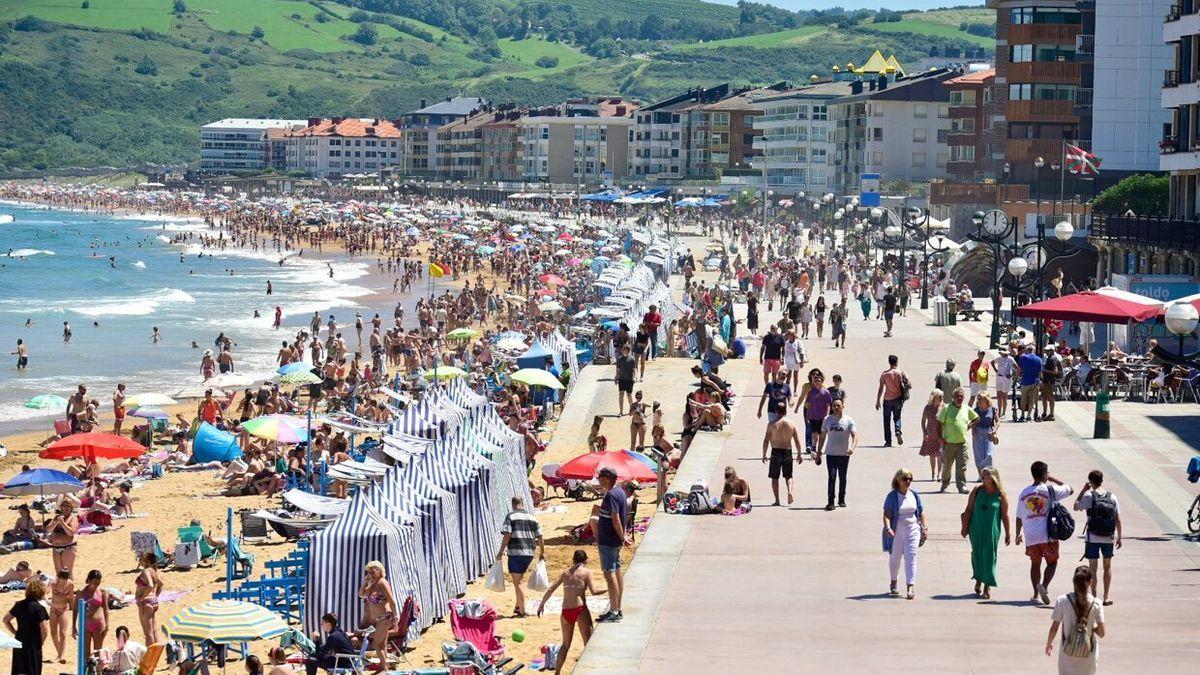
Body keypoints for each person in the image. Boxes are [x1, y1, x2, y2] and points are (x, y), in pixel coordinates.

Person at [537, 550, 606, 675]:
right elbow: (594, 591)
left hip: (565, 610)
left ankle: (557, 672)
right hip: (580, 609)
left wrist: (542, 604)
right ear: (586, 560)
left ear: (573, 560)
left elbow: (551, 588)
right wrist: (609, 589)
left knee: (565, 645)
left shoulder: (565, 573)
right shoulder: (586, 572)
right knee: (588, 643)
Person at [1016, 461, 1074, 605]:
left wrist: (1018, 533)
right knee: (1052, 563)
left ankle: (1036, 593)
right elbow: (1070, 489)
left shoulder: (1024, 492)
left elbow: (1019, 516)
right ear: (1044, 474)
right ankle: (1045, 586)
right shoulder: (1050, 490)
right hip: (1048, 535)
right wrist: (1052, 478)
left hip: (1031, 535)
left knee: (1035, 564)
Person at [1072, 470, 1122, 606]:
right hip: (1108, 537)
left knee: (1093, 569)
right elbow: (1117, 519)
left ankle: (1093, 597)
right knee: (1107, 567)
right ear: (1102, 480)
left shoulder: (1089, 495)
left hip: (1092, 537)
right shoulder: (1112, 497)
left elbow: (1075, 506)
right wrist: (1120, 537)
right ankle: (1106, 597)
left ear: (1090, 481)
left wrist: (1082, 490)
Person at [961, 466, 1011, 599]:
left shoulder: (1001, 495)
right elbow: (969, 509)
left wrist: (1008, 533)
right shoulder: (977, 491)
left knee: (989, 557)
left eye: (985, 475)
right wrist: (964, 527)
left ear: (993, 477)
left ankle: (987, 586)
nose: (982, 478)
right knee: (977, 555)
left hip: (992, 531)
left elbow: (1005, 515)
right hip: (976, 528)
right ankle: (978, 578)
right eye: (982, 475)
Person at [1045, 566, 1106, 674]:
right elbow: (1102, 633)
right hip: (1088, 653)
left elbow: (1054, 628)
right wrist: (1091, 625)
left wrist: (1049, 644)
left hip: (1067, 652)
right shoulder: (1096, 603)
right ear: (1091, 582)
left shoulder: (1063, 600)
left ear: (1074, 581)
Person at [882, 468, 926, 600]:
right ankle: (893, 582)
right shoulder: (892, 496)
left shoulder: (914, 495)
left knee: (911, 556)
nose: (908, 482)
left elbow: (921, 512)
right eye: (905, 479)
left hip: (912, 529)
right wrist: (888, 528)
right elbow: (887, 514)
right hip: (897, 530)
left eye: (910, 479)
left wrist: (924, 528)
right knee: (895, 557)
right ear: (898, 480)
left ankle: (910, 586)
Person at [497, 496, 544, 618]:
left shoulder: (510, 516)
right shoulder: (532, 517)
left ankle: (522, 611)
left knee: (518, 582)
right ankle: (518, 606)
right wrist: (542, 552)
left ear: (513, 504)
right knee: (520, 579)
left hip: (516, 552)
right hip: (529, 553)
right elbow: (540, 536)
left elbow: (507, 534)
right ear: (522, 504)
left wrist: (501, 551)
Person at [592, 467, 626, 623]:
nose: (598, 480)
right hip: (615, 540)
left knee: (609, 573)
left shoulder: (611, 494)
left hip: (609, 540)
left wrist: (622, 536)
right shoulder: (619, 492)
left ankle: (614, 610)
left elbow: (615, 517)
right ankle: (617, 607)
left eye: (600, 477)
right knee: (617, 571)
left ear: (606, 478)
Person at [937, 387, 978, 494]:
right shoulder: (946, 408)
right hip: (948, 444)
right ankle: (944, 484)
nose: (960, 398)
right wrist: (940, 438)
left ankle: (962, 486)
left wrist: (968, 426)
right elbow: (939, 423)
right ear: (953, 397)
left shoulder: (966, 408)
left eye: (962, 396)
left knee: (962, 466)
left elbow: (976, 418)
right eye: (958, 396)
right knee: (947, 467)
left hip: (962, 444)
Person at [358, 561, 398, 670]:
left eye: (374, 570)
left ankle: (383, 668)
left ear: (380, 570)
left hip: (385, 617)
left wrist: (395, 617)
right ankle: (385, 667)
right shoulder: (373, 584)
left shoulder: (382, 582)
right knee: (383, 644)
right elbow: (361, 594)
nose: (371, 573)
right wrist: (365, 582)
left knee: (376, 644)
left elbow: (392, 601)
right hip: (380, 619)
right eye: (369, 571)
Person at [818, 398, 857, 510]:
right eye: (834, 405)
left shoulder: (849, 420)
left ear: (843, 406)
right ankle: (830, 501)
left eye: (838, 405)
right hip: (830, 454)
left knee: (842, 477)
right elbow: (822, 437)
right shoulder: (827, 420)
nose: (836, 407)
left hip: (844, 455)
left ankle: (841, 499)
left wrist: (852, 447)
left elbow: (855, 436)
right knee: (832, 476)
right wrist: (819, 452)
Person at [4, 577, 48, 675]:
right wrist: (41, 642)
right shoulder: (39, 608)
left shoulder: (19, 604)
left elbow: (6, 620)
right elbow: (44, 629)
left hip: (19, 640)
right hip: (33, 643)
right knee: (33, 670)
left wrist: (15, 632)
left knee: (19, 670)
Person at [763, 402, 803, 506]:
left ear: (776, 411)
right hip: (787, 452)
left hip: (776, 452)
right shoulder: (791, 424)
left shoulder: (771, 424)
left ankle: (777, 500)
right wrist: (799, 453)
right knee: (788, 476)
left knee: (774, 477)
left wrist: (764, 454)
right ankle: (789, 491)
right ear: (785, 411)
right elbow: (797, 441)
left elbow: (766, 440)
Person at [72, 569, 109, 655]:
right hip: (85, 624)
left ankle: (97, 669)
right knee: (85, 653)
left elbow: (106, 609)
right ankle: (86, 669)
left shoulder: (102, 592)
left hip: (99, 624)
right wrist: (73, 626)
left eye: (98, 583)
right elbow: (75, 610)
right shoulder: (81, 592)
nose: (96, 585)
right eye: (95, 583)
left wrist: (107, 625)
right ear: (89, 580)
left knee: (98, 653)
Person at [875, 354, 907, 447]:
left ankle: (888, 442)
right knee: (897, 417)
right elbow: (909, 385)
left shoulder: (884, 374)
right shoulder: (900, 373)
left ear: (889, 362)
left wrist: (878, 400)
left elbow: (881, 388)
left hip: (887, 399)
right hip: (898, 399)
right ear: (896, 362)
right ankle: (897, 430)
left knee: (886, 420)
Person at [134, 552, 163, 646]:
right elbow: (160, 585)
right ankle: (156, 653)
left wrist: (142, 598)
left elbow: (150, 585)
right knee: (154, 630)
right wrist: (155, 596)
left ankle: (149, 655)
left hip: (146, 603)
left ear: (147, 561)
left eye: (141, 558)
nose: (139, 559)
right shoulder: (153, 571)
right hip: (153, 602)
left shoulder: (146, 571)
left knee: (148, 633)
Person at [971, 393, 1000, 479]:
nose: (978, 401)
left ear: (986, 400)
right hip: (978, 433)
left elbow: (998, 421)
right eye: (978, 399)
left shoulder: (993, 410)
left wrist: (994, 431)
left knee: (989, 455)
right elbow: (973, 422)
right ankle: (981, 476)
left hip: (989, 433)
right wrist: (973, 430)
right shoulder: (975, 410)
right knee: (979, 456)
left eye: (981, 399)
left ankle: (988, 473)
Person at [918, 390, 944, 482]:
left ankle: (939, 474)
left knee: (940, 454)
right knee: (932, 454)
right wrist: (925, 433)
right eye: (939, 397)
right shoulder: (928, 408)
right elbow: (923, 421)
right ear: (934, 398)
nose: (941, 399)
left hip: (941, 434)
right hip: (930, 434)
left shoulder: (944, 407)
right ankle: (933, 473)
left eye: (942, 397)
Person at [1018, 344, 1044, 422]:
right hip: (1035, 382)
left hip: (1025, 381)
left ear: (1027, 350)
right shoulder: (1039, 359)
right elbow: (1040, 372)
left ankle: (1022, 415)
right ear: (1034, 350)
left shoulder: (1023, 357)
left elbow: (1019, 369)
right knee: (1032, 399)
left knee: (1023, 398)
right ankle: (1029, 415)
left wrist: (1016, 377)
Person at [992, 347, 1017, 418]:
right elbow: (992, 362)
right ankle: (999, 412)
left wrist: (1012, 376)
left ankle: (1003, 413)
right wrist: (996, 370)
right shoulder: (999, 358)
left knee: (1004, 396)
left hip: (1006, 379)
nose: (1001, 354)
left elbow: (1017, 368)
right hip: (999, 378)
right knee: (999, 396)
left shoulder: (1010, 359)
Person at [1040, 345, 1062, 421]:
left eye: (1048, 351)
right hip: (1047, 381)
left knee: (1050, 398)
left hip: (1049, 382)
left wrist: (1045, 370)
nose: (1046, 352)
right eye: (1046, 350)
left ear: (1052, 351)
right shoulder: (1050, 358)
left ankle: (1051, 414)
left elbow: (1055, 371)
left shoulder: (1052, 359)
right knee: (1044, 398)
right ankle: (1045, 413)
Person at [613, 344, 636, 416]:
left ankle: (632, 409)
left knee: (629, 395)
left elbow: (634, 369)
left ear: (628, 351)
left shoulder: (632, 359)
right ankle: (621, 411)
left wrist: (634, 377)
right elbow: (618, 369)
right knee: (621, 395)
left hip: (629, 379)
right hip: (622, 379)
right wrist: (616, 377)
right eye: (623, 350)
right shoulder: (619, 359)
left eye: (625, 350)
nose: (624, 351)